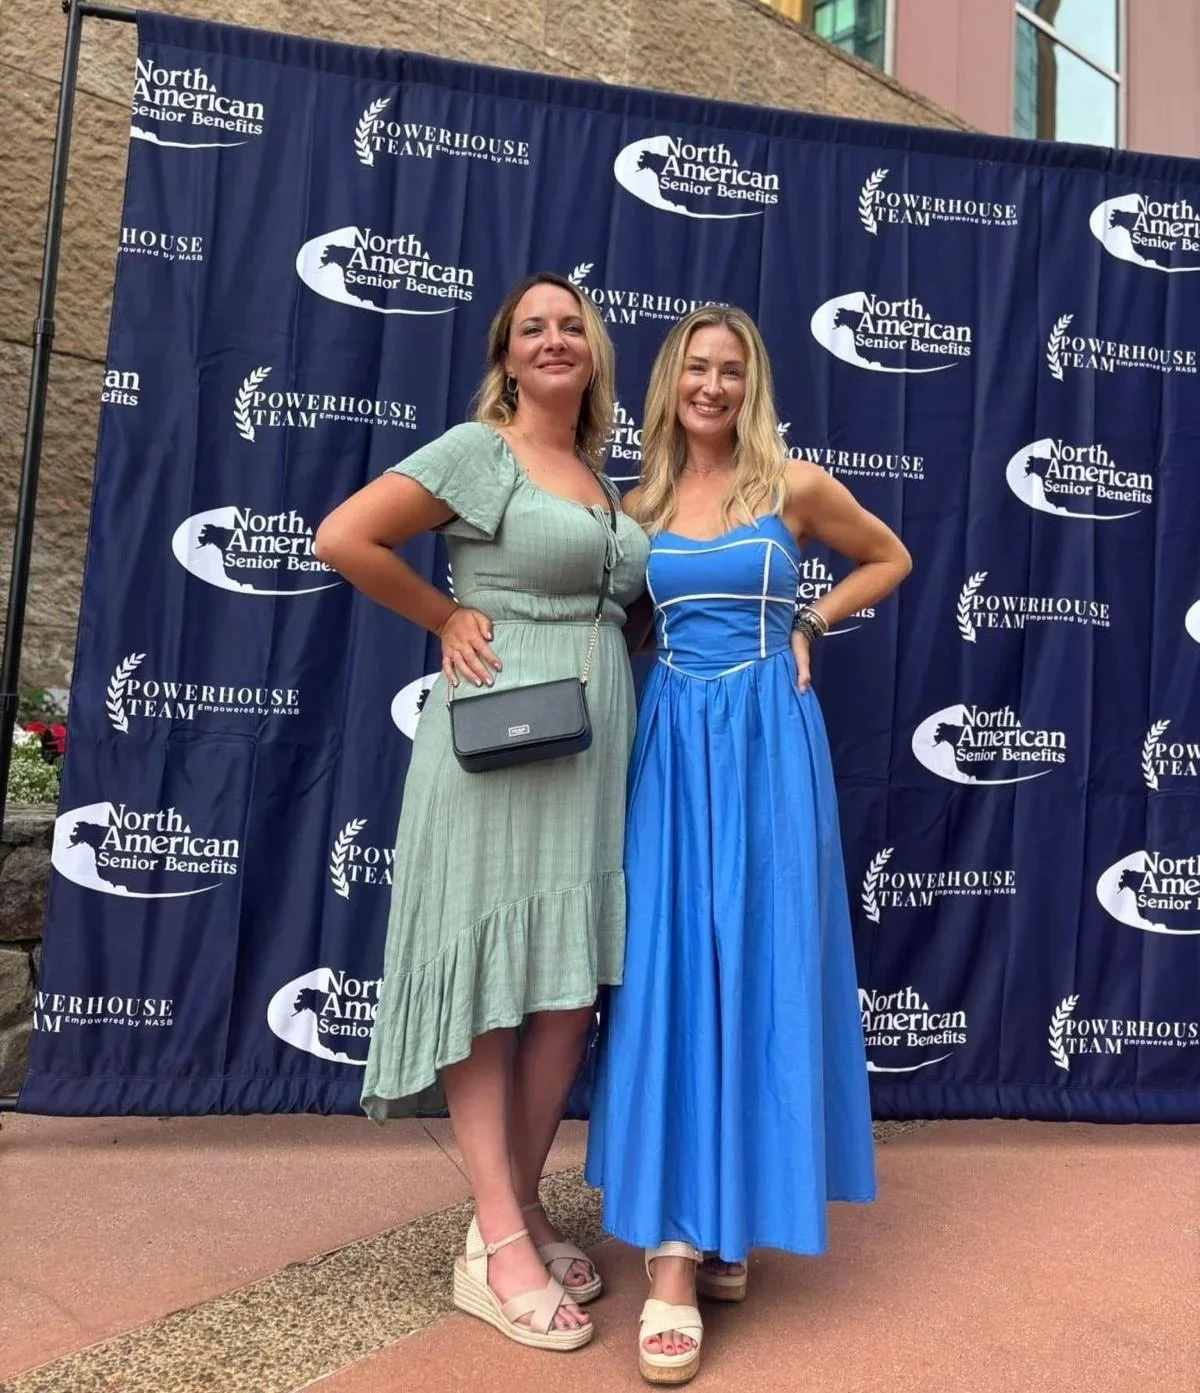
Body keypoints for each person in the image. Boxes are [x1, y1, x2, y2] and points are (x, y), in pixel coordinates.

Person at [314, 272, 650, 1352]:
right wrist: (444, 610)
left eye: (571, 326)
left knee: (563, 991)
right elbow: (345, 537)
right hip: (498, 747)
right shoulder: (479, 451)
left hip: (596, 758)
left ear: (593, 352)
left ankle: (515, 1207)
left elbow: (632, 609)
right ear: (507, 356)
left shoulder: (597, 476)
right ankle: (497, 1242)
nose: (554, 340)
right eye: (531, 329)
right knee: (496, 985)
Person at [584, 305, 912, 1384]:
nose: (712, 386)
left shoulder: (795, 487)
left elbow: (890, 557)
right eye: (695, 369)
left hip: (772, 747)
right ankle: (674, 1249)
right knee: (675, 973)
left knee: (760, 968)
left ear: (751, 382)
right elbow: (614, 621)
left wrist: (812, 624)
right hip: (676, 752)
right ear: (671, 382)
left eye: (730, 370)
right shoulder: (638, 505)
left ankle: (729, 1219)